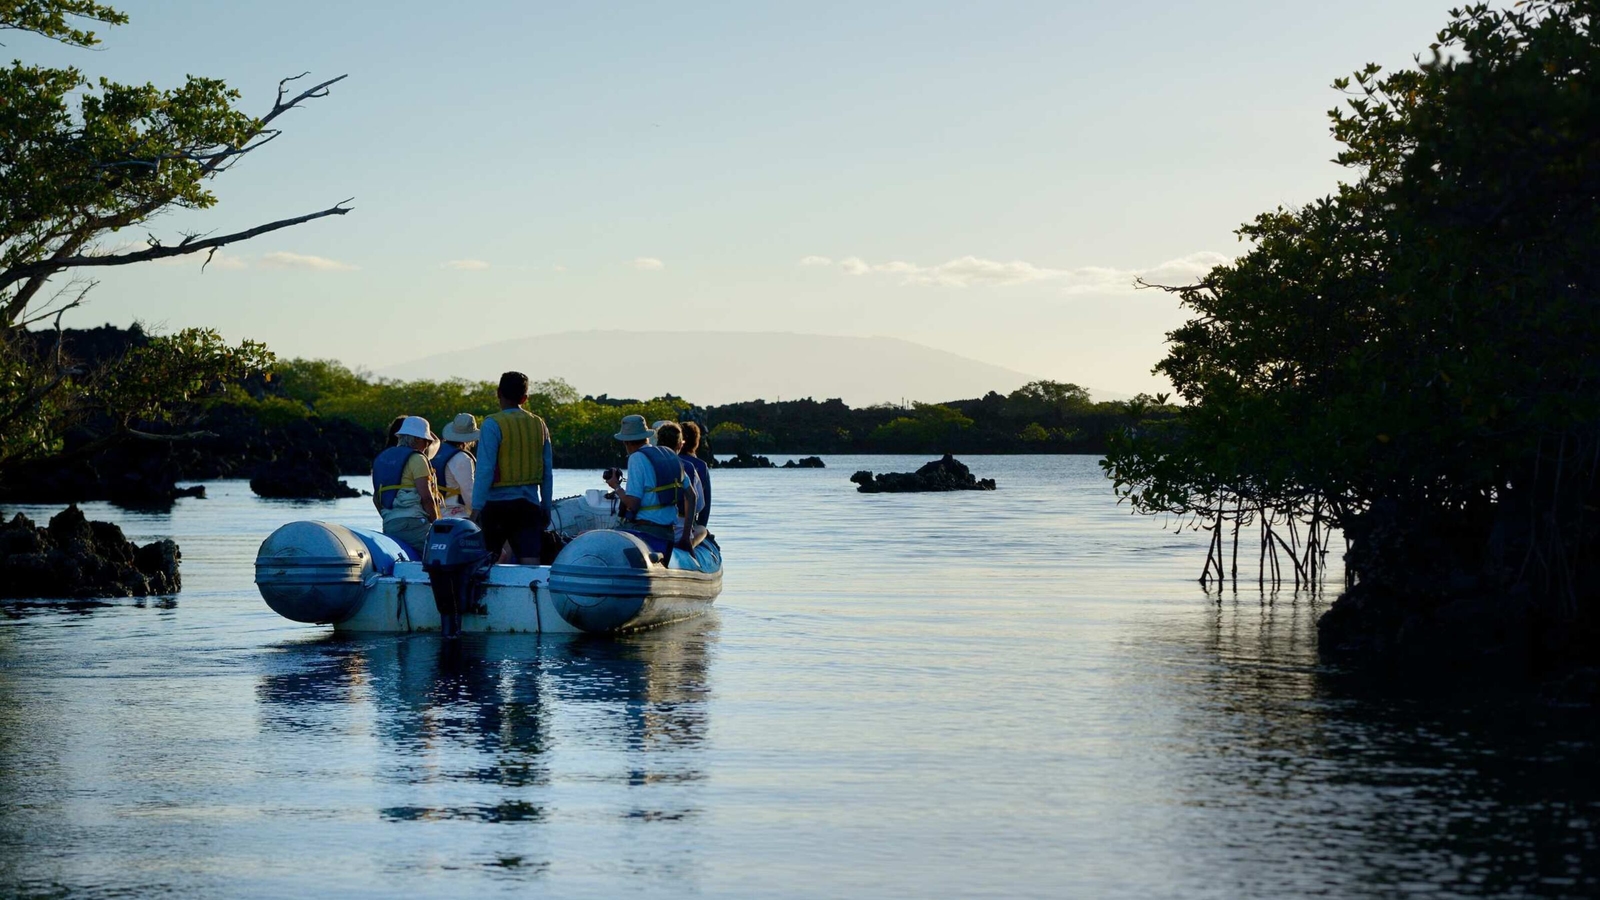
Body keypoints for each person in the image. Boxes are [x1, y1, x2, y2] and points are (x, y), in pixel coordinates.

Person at [469, 372, 554, 564]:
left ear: (498, 393)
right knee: (530, 563)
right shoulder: (539, 424)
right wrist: (546, 507)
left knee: (487, 561)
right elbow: (547, 472)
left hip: (496, 506)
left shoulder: (492, 424)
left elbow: (484, 470)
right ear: (524, 398)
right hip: (529, 505)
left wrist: (475, 511)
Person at [605, 415, 696, 554]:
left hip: (645, 532)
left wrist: (616, 487)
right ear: (646, 437)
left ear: (626, 442)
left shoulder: (636, 458)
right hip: (668, 533)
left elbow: (633, 504)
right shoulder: (670, 454)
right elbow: (691, 495)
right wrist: (686, 536)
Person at [372, 415, 442, 551]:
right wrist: (437, 526)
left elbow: (376, 500)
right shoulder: (417, 459)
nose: (427, 444)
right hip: (415, 524)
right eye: (426, 440)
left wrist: (392, 518)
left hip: (389, 525)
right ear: (417, 439)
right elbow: (427, 499)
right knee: (444, 550)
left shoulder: (382, 458)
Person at [653, 422, 704, 544]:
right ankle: (689, 544)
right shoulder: (688, 467)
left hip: (654, 527)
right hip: (679, 531)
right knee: (702, 529)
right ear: (680, 445)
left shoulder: (649, 466)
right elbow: (700, 505)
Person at [434, 413, 480, 519]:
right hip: (456, 514)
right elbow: (468, 491)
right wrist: (478, 512)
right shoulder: (462, 458)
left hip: (437, 512)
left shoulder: (436, 452)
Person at [679, 421, 712, 527]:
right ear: (696, 442)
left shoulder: (667, 461)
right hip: (689, 522)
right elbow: (705, 504)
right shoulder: (701, 465)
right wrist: (701, 526)